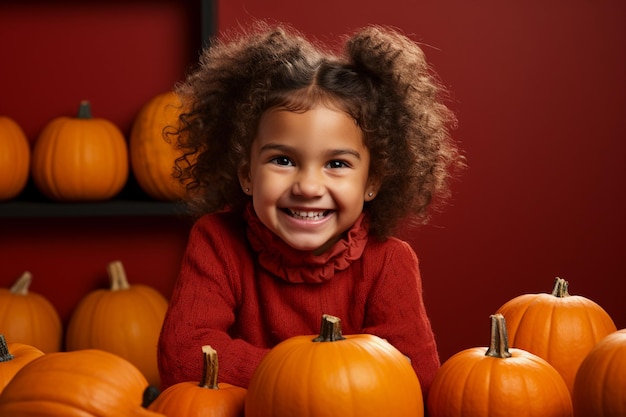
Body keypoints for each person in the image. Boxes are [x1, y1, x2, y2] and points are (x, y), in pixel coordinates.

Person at [157, 21, 464, 399]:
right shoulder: (217, 241)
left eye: (336, 164)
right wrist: (314, 380)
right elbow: (184, 356)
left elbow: (416, 380)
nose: (307, 187)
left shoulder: (389, 262)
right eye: (283, 160)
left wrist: (293, 381)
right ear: (246, 174)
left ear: (372, 182)